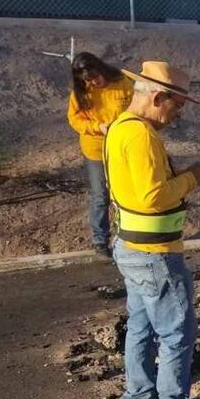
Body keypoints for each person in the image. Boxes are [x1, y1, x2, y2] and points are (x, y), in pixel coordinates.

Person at [104, 61, 200, 399]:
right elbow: (153, 196)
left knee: (140, 328)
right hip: (155, 255)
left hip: (131, 248)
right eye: (177, 105)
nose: (178, 113)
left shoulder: (120, 127)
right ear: (157, 97)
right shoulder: (141, 136)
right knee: (176, 334)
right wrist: (193, 178)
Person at [66, 52, 134, 257]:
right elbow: (75, 120)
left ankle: (129, 237)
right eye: (88, 80)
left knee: (125, 193)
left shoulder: (121, 82)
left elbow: (135, 108)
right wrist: (98, 127)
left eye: (95, 77)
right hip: (95, 149)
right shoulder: (80, 92)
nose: (94, 82)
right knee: (100, 196)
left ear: (101, 68)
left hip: (121, 147)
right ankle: (100, 240)